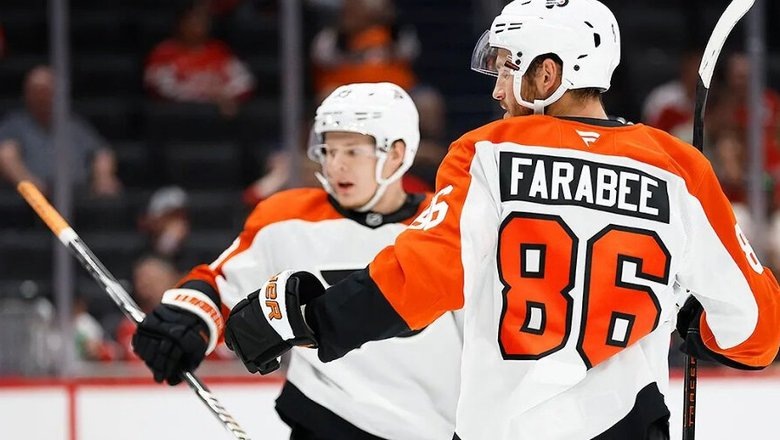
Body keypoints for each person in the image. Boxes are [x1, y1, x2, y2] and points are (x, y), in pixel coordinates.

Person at [222, 1, 780, 439]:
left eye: (509, 68)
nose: (496, 89)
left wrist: (308, 319)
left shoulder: (490, 150)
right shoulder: (677, 166)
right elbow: (757, 331)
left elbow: (423, 277)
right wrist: (697, 325)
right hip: (631, 425)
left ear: (549, 74)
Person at [132, 83, 462, 440]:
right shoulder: (287, 218)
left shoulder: (448, 225)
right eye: (329, 150)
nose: (336, 165)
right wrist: (187, 321)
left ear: (396, 154)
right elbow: (221, 283)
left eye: (352, 151)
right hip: (326, 418)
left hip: (433, 427)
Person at [0, 66, 121, 196]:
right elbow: (6, 156)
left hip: (77, 196)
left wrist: (103, 177)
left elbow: (102, 153)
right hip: (30, 199)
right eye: (36, 90)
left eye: (45, 90)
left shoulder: (73, 125)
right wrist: (28, 184)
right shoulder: (14, 125)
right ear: (27, 93)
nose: (41, 96)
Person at [144, 0, 255, 118]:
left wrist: (225, 94)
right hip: (179, 115)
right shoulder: (164, 53)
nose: (199, 25)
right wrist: (207, 95)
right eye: (194, 20)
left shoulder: (219, 50)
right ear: (181, 23)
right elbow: (161, 88)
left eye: (203, 20)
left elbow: (243, 82)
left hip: (216, 114)